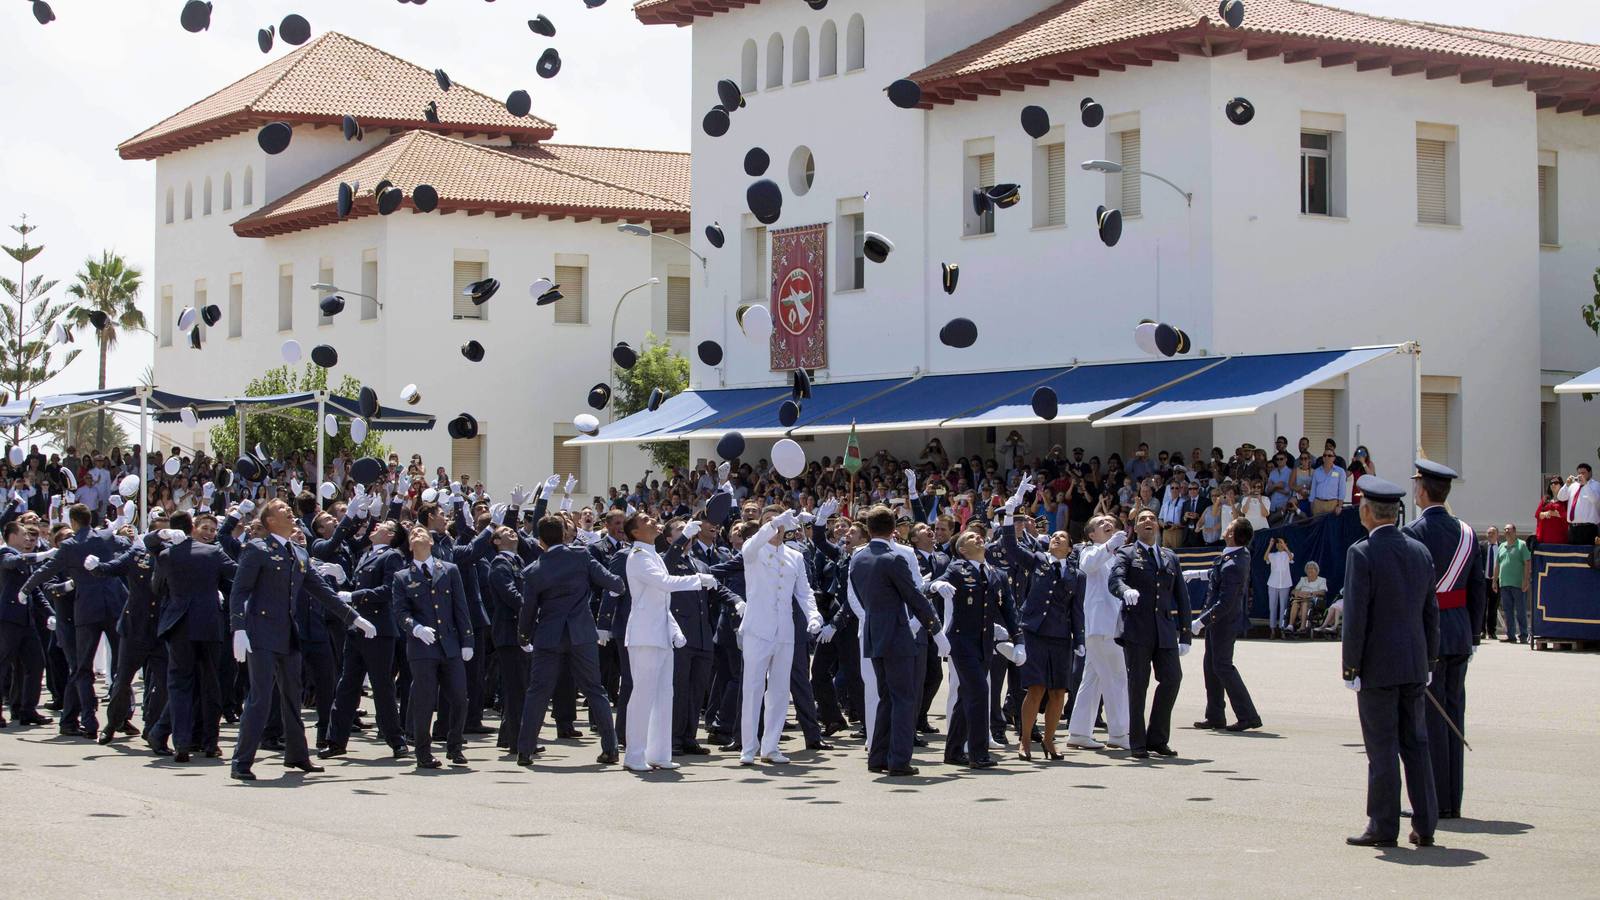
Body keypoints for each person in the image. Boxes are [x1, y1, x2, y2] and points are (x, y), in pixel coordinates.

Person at [229, 499, 376, 780]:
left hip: (288, 634)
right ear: (270, 521)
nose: (289, 511)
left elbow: (321, 591)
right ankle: (242, 761)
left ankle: (297, 755)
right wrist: (239, 628)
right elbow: (240, 590)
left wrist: (353, 618)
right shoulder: (257, 548)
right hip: (260, 633)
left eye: (288, 508)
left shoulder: (298, 552)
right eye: (281, 509)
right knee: (260, 698)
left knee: (292, 697)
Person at [1342, 475, 1439, 848]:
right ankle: (1425, 824)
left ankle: (1383, 826)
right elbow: (1431, 613)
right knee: (1416, 745)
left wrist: (1351, 668)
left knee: (1382, 748)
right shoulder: (1419, 551)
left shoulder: (1362, 553)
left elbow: (1356, 618)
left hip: (1377, 667)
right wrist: (1429, 660)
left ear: (1367, 511)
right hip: (1414, 663)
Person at [1404, 459, 1486, 821]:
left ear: (1422, 491)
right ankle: (1452, 799)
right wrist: (1474, 633)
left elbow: (1410, 592)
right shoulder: (1467, 533)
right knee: (1454, 714)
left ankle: (1433, 799)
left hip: (1428, 635)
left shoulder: (1412, 534)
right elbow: (1478, 587)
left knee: (1429, 719)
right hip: (1460, 632)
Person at [516, 514, 624, 767]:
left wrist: (524, 635)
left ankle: (525, 750)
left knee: (538, 692)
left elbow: (527, 610)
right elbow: (613, 582)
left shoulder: (533, 570)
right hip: (581, 633)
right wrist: (616, 586)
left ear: (540, 540)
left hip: (549, 636)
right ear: (564, 535)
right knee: (594, 690)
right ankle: (610, 748)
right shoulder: (581, 556)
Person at [850, 505, 945, 776]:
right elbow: (914, 597)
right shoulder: (894, 559)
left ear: (869, 529)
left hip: (874, 633)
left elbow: (859, 595)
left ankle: (878, 757)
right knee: (904, 699)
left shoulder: (858, 558)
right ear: (894, 530)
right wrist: (935, 629)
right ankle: (899, 760)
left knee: (887, 698)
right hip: (897, 635)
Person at [998, 476, 1080, 761]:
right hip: (1035, 631)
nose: (1056, 538)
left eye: (1062, 538)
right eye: (1054, 536)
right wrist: (1009, 515)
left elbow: (1076, 609)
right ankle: (1024, 741)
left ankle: (1049, 741)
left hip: (1061, 635)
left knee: (1058, 693)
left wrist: (1080, 639)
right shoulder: (1038, 559)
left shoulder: (1075, 573)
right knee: (1035, 688)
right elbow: (1011, 548)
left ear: (1069, 548)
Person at [736, 507, 823, 766]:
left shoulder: (795, 556)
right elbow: (750, 547)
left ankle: (770, 746)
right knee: (753, 688)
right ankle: (749, 747)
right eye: (769, 521)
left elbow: (804, 592)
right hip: (757, 629)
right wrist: (772, 523)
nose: (776, 527)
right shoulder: (754, 550)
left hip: (785, 630)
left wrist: (813, 615)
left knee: (779, 690)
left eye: (780, 523)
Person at [620, 512, 702, 772]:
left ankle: (658, 753)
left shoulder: (653, 554)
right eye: (645, 520)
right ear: (635, 532)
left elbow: (660, 602)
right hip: (645, 635)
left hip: (661, 634)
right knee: (643, 696)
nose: (653, 521)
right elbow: (663, 584)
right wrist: (698, 580)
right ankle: (634, 755)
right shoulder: (638, 556)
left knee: (665, 695)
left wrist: (675, 630)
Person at [927, 528, 1014, 768]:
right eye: (970, 537)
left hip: (984, 642)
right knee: (979, 692)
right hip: (961, 641)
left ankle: (954, 751)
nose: (977, 537)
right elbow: (931, 586)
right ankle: (978, 753)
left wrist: (1018, 639)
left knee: (966, 695)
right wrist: (936, 586)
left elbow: (1008, 609)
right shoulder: (957, 568)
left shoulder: (996, 573)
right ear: (962, 550)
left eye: (978, 535)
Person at [1109, 507, 1191, 759]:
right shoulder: (1126, 553)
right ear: (1135, 527)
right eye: (1142, 519)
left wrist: (1186, 634)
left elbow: (1181, 597)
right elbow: (1115, 580)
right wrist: (1124, 590)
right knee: (1138, 685)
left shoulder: (1169, 556)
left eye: (1152, 519)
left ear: (1158, 525)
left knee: (1172, 679)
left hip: (1164, 629)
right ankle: (1137, 742)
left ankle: (1157, 738)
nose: (1148, 521)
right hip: (1137, 629)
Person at [391, 526, 472, 771]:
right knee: (424, 702)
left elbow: (460, 607)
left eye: (422, 532)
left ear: (431, 541)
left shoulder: (449, 569)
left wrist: (467, 641)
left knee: (459, 698)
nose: (417, 534)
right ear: (409, 545)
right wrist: (415, 628)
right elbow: (400, 612)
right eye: (413, 534)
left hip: (449, 644)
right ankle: (423, 753)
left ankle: (455, 746)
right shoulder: (402, 577)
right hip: (422, 647)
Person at [1065, 515, 1131, 751]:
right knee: (1116, 678)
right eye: (1100, 523)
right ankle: (1119, 732)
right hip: (1102, 625)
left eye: (1109, 521)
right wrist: (1110, 544)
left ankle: (1079, 731)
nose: (1107, 524)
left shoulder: (1116, 555)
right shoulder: (1090, 550)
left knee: (1092, 680)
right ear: (1092, 534)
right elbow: (1087, 564)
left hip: (1110, 624)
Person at [1192, 518, 1262, 732]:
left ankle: (1248, 715)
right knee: (1211, 667)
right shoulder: (1236, 555)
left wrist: (1201, 621)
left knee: (1222, 667)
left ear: (1231, 534)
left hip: (1223, 621)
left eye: (1230, 526)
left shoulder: (1234, 563)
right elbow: (1218, 573)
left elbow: (1225, 602)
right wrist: (1196, 574)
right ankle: (1215, 715)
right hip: (1219, 621)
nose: (1226, 528)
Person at [0, 521, 57, 729]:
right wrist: (43, 555)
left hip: (25, 621)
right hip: (7, 620)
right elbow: (12, 562)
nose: (27, 538)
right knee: (3, 665)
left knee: (35, 663)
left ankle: (27, 709)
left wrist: (51, 614)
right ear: (12, 535)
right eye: (23, 534)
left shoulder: (23, 558)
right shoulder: (5, 553)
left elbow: (34, 590)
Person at [1495, 524, 1531, 644]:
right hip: (1504, 584)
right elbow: (1497, 564)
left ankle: (1523, 635)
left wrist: (1526, 580)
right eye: (1505, 530)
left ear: (1515, 531)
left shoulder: (1522, 545)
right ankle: (1511, 635)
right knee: (1508, 611)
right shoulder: (1502, 546)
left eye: (1509, 530)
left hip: (1518, 584)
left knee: (1520, 610)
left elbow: (1527, 563)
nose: (1506, 531)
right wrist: (1495, 580)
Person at [1557, 463, 1599, 547]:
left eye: (1583, 473)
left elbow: (1595, 500)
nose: (1580, 475)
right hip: (1573, 529)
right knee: (1573, 553)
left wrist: (1585, 485)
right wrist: (1566, 485)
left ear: (1590, 473)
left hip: (1588, 528)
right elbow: (1561, 497)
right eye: (1579, 473)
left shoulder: (1596, 485)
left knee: (1588, 553)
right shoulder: (1573, 485)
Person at [1287, 562, 1327, 637]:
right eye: (1308, 568)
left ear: (1316, 570)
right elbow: (1294, 590)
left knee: (1304, 603)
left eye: (1312, 568)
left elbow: (1323, 592)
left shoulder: (1321, 580)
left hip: (1312, 600)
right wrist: (1298, 593)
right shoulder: (1303, 579)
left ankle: (1302, 626)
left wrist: (1310, 593)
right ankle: (1290, 626)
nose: (1310, 570)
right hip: (1300, 599)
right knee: (1295, 603)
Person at [1266, 538, 1293, 639]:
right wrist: (1270, 545)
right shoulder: (1273, 555)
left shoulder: (1288, 554)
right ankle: (1272, 630)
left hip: (1285, 584)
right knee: (1272, 607)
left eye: (1281, 543)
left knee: (1283, 608)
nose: (1279, 545)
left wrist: (1285, 547)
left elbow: (1291, 557)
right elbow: (1265, 558)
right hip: (1273, 583)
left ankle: (1282, 629)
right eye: (1277, 543)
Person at [1534, 476, 1569, 548]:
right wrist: (1545, 513)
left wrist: (1557, 514)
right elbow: (1537, 514)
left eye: (1556, 483)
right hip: (1545, 537)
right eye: (1551, 483)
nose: (1553, 484)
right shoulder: (1545, 499)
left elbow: (1569, 516)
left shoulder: (1566, 500)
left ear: (1561, 485)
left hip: (1560, 538)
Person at [1310, 450, 1347, 516]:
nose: (1326, 457)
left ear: (1334, 458)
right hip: (1318, 504)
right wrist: (1312, 505)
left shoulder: (1340, 471)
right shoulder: (1316, 471)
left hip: (1332, 504)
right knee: (1317, 523)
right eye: (1324, 455)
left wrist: (1339, 506)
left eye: (1329, 455)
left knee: (1332, 523)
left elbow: (1342, 490)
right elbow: (1313, 489)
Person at [1479, 526, 1500, 642]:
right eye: (1488, 533)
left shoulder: (1502, 547)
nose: (1490, 535)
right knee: (1482, 606)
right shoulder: (1481, 545)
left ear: (1497, 534)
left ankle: (1492, 631)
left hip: (1496, 581)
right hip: (1483, 581)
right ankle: (1482, 630)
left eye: (1492, 533)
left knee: (1493, 607)